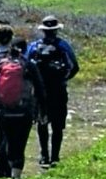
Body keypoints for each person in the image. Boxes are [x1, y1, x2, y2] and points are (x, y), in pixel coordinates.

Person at [0, 23, 36, 178]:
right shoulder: (18, 58)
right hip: (20, 104)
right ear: (11, 38)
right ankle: (11, 166)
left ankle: (2, 164)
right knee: (15, 136)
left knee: (2, 135)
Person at [25, 15, 79, 168]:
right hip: (58, 90)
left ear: (43, 30)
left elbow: (26, 66)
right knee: (57, 125)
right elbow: (75, 66)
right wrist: (63, 80)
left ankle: (44, 155)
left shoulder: (34, 47)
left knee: (42, 122)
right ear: (56, 30)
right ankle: (55, 156)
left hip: (40, 92)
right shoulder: (63, 45)